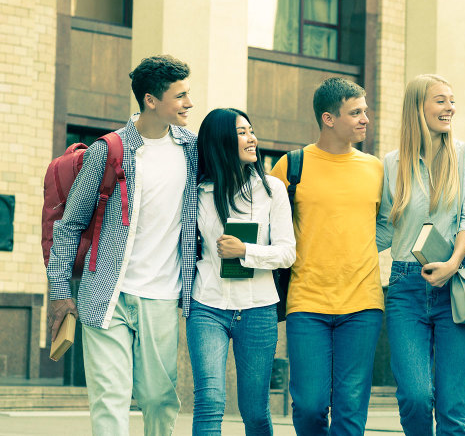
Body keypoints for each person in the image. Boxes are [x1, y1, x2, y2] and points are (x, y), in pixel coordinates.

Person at [46, 55, 197, 435]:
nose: (189, 104)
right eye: (180, 96)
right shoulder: (108, 150)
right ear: (151, 100)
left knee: (159, 399)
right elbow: (69, 226)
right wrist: (61, 292)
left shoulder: (193, 151)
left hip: (163, 295)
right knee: (110, 397)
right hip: (105, 294)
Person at [268, 77, 384, 435]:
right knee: (309, 405)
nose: (365, 119)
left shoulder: (376, 169)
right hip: (307, 302)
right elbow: (270, 228)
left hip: (363, 303)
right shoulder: (292, 166)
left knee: (351, 409)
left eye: (365, 111)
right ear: (329, 118)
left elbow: (386, 226)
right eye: (356, 112)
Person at [376, 73, 465, 435]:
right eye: (440, 100)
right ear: (417, 107)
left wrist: (453, 263)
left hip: (458, 283)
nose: (450, 107)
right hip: (406, 285)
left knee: (453, 406)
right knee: (415, 396)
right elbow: (383, 229)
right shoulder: (391, 164)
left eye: (451, 100)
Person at [187, 108, 295, 435]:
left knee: (254, 411)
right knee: (210, 400)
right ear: (221, 141)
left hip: (258, 309)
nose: (252, 139)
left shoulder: (272, 190)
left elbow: (287, 253)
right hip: (207, 304)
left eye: (251, 130)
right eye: (242, 133)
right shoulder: (196, 193)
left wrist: (245, 251)